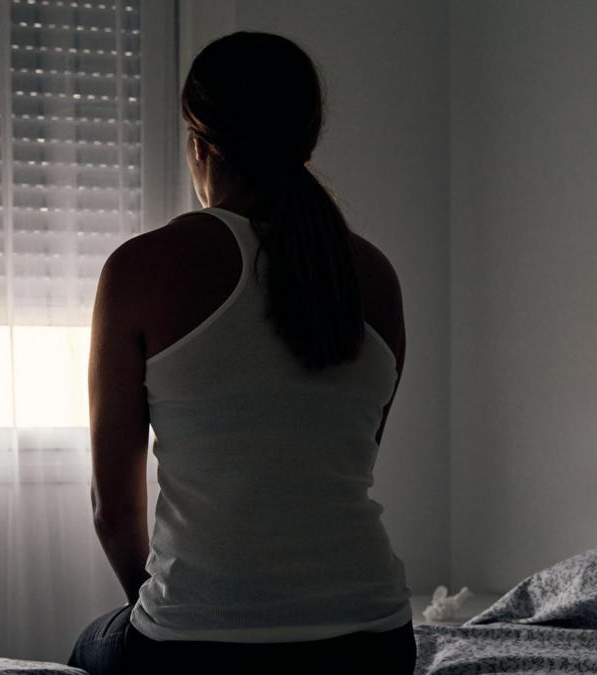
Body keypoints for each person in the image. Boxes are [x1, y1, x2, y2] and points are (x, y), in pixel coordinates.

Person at [70, 31, 415, 674]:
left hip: (199, 651)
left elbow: (113, 513)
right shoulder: (375, 276)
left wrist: (174, 613)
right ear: (306, 142)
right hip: (375, 642)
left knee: (86, 650)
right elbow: (336, 465)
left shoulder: (140, 269)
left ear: (198, 143)